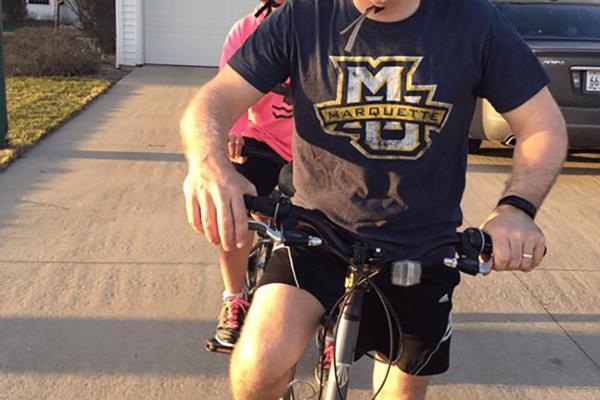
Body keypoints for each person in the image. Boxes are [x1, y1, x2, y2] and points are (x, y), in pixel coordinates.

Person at [180, 0, 568, 398]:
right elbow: (215, 98)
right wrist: (209, 163)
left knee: (400, 394)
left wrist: (516, 209)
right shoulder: (305, 14)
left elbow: (542, 125)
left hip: (422, 244)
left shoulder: (473, 21)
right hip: (317, 232)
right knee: (257, 366)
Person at [209, 0, 293, 349]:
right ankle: (234, 298)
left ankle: (331, 314)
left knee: (330, 220)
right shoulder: (245, 31)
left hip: (315, 149)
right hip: (263, 141)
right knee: (232, 205)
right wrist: (235, 131)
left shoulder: (326, 29)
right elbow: (227, 91)